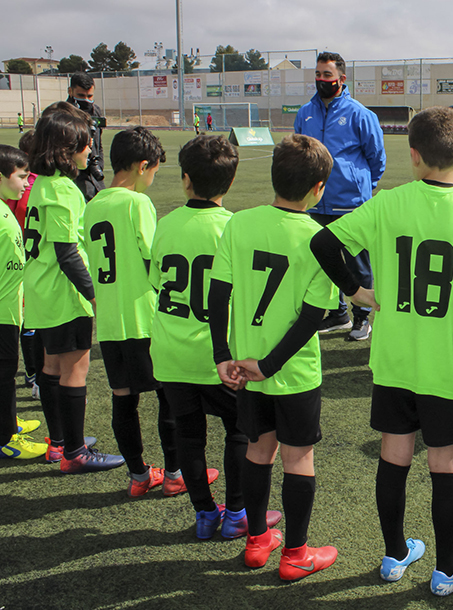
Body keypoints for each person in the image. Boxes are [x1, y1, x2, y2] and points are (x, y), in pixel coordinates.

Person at [309, 107, 453, 596]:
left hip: (394, 359)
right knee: (446, 463)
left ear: (412, 156)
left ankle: (394, 555)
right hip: (446, 366)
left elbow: (325, 243)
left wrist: (354, 290)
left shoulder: (388, 203)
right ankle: (446, 567)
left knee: (394, 456)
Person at [209, 134, 341, 581]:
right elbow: (311, 318)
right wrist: (271, 365)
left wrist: (223, 355)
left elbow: (217, 295)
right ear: (319, 188)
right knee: (298, 460)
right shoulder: (319, 239)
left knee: (258, 450)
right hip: (293, 373)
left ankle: (256, 543)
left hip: (244, 367)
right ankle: (296, 553)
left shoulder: (239, 223)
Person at [150, 134, 279, 539]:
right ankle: (237, 513)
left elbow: (157, 283)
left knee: (188, 433)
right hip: (219, 352)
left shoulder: (165, 224)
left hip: (171, 352)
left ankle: (205, 513)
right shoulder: (235, 227)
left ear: (185, 178)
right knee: (238, 430)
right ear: (232, 179)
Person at [84, 127, 196, 497]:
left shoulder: (93, 204)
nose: (153, 179)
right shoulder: (137, 204)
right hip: (146, 319)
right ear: (142, 165)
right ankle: (176, 474)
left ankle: (137, 477)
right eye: (153, 171)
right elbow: (154, 258)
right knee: (167, 397)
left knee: (123, 399)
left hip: (111, 324)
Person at [24, 108, 123, 473]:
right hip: (63, 293)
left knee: (51, 366)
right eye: (84, 146)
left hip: (41, 288)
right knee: (75, 369)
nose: (89, 153)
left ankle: (60, 441)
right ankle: (76, 452)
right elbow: (67, 253)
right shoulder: (64, 190)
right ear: (67, 150)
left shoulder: (40, 183)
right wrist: (95, 294)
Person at [294, 51, 386, 341]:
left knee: (358, 263)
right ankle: (337, 314)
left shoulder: (359, 113)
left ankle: (362, 318)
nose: (322, 80)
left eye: (327, 75)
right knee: (321, 261)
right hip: (315, 201)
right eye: (318, 75)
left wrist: (361, 187)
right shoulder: (304, 113)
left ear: (342, 79)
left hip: (351, 204)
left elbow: (376, 158)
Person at [0, 145, 46, 459]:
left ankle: (8, 422)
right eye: (21, 176)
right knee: (4, 374)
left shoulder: (5, 209)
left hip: (10, 310)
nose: (27, 183)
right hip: (2, 313)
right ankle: (7, 439)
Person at [66, 72, 106, 202]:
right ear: (70, 91)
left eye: (90, 96)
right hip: (74, 178)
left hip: (95, 178)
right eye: (81, 96)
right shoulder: (62, 114)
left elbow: (98, 144)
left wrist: (98, 165)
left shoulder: (96, 111)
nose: (86, 100)